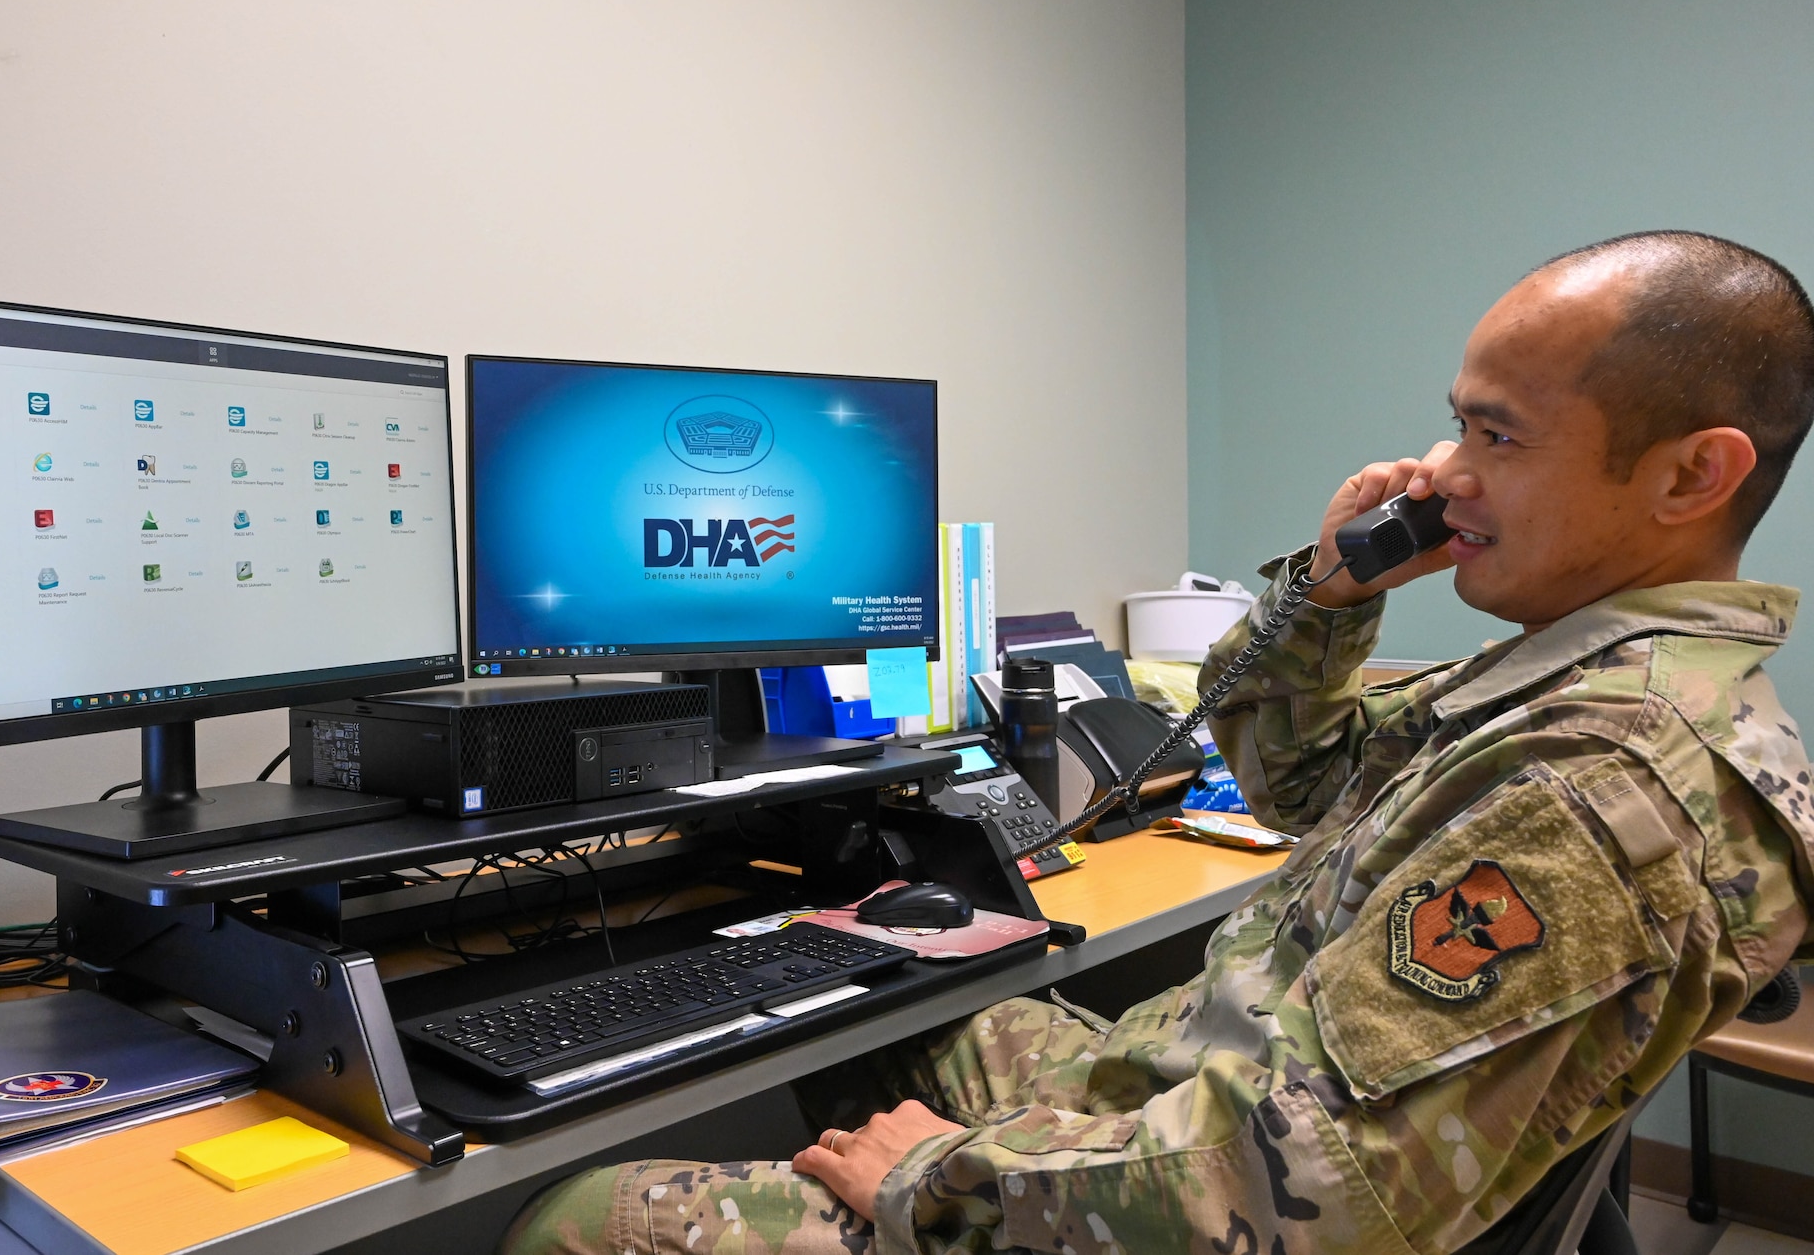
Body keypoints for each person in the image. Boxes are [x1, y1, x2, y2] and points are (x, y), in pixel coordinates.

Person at [505, 231, 1814, 1255]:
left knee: (578, 1223)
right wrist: (1322, 588)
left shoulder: (1598, 786)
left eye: (1496, 434)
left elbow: (1300, 1196)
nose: (1443, 469)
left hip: (1201, 1175)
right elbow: (1298, 780)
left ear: (1691, 477)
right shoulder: (1578, 689)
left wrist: (931, 1180)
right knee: (879, 990)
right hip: (1181, 1090)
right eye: (1459, 422)